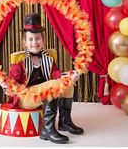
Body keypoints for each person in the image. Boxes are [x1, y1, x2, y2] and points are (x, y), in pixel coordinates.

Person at [7, 13, 84, 144]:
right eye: (30, 39)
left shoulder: (48, 59)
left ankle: (65, 122)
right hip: (25, 98)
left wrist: (70, 76)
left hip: (44, 95)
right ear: (24, 42)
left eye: (37, 38)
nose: (34, 42)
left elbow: (56, 74)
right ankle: (47, 129)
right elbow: (13, 85)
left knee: (67, 83)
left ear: (43, 40)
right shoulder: (20, 62)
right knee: (54, 84)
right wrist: (7, 85)